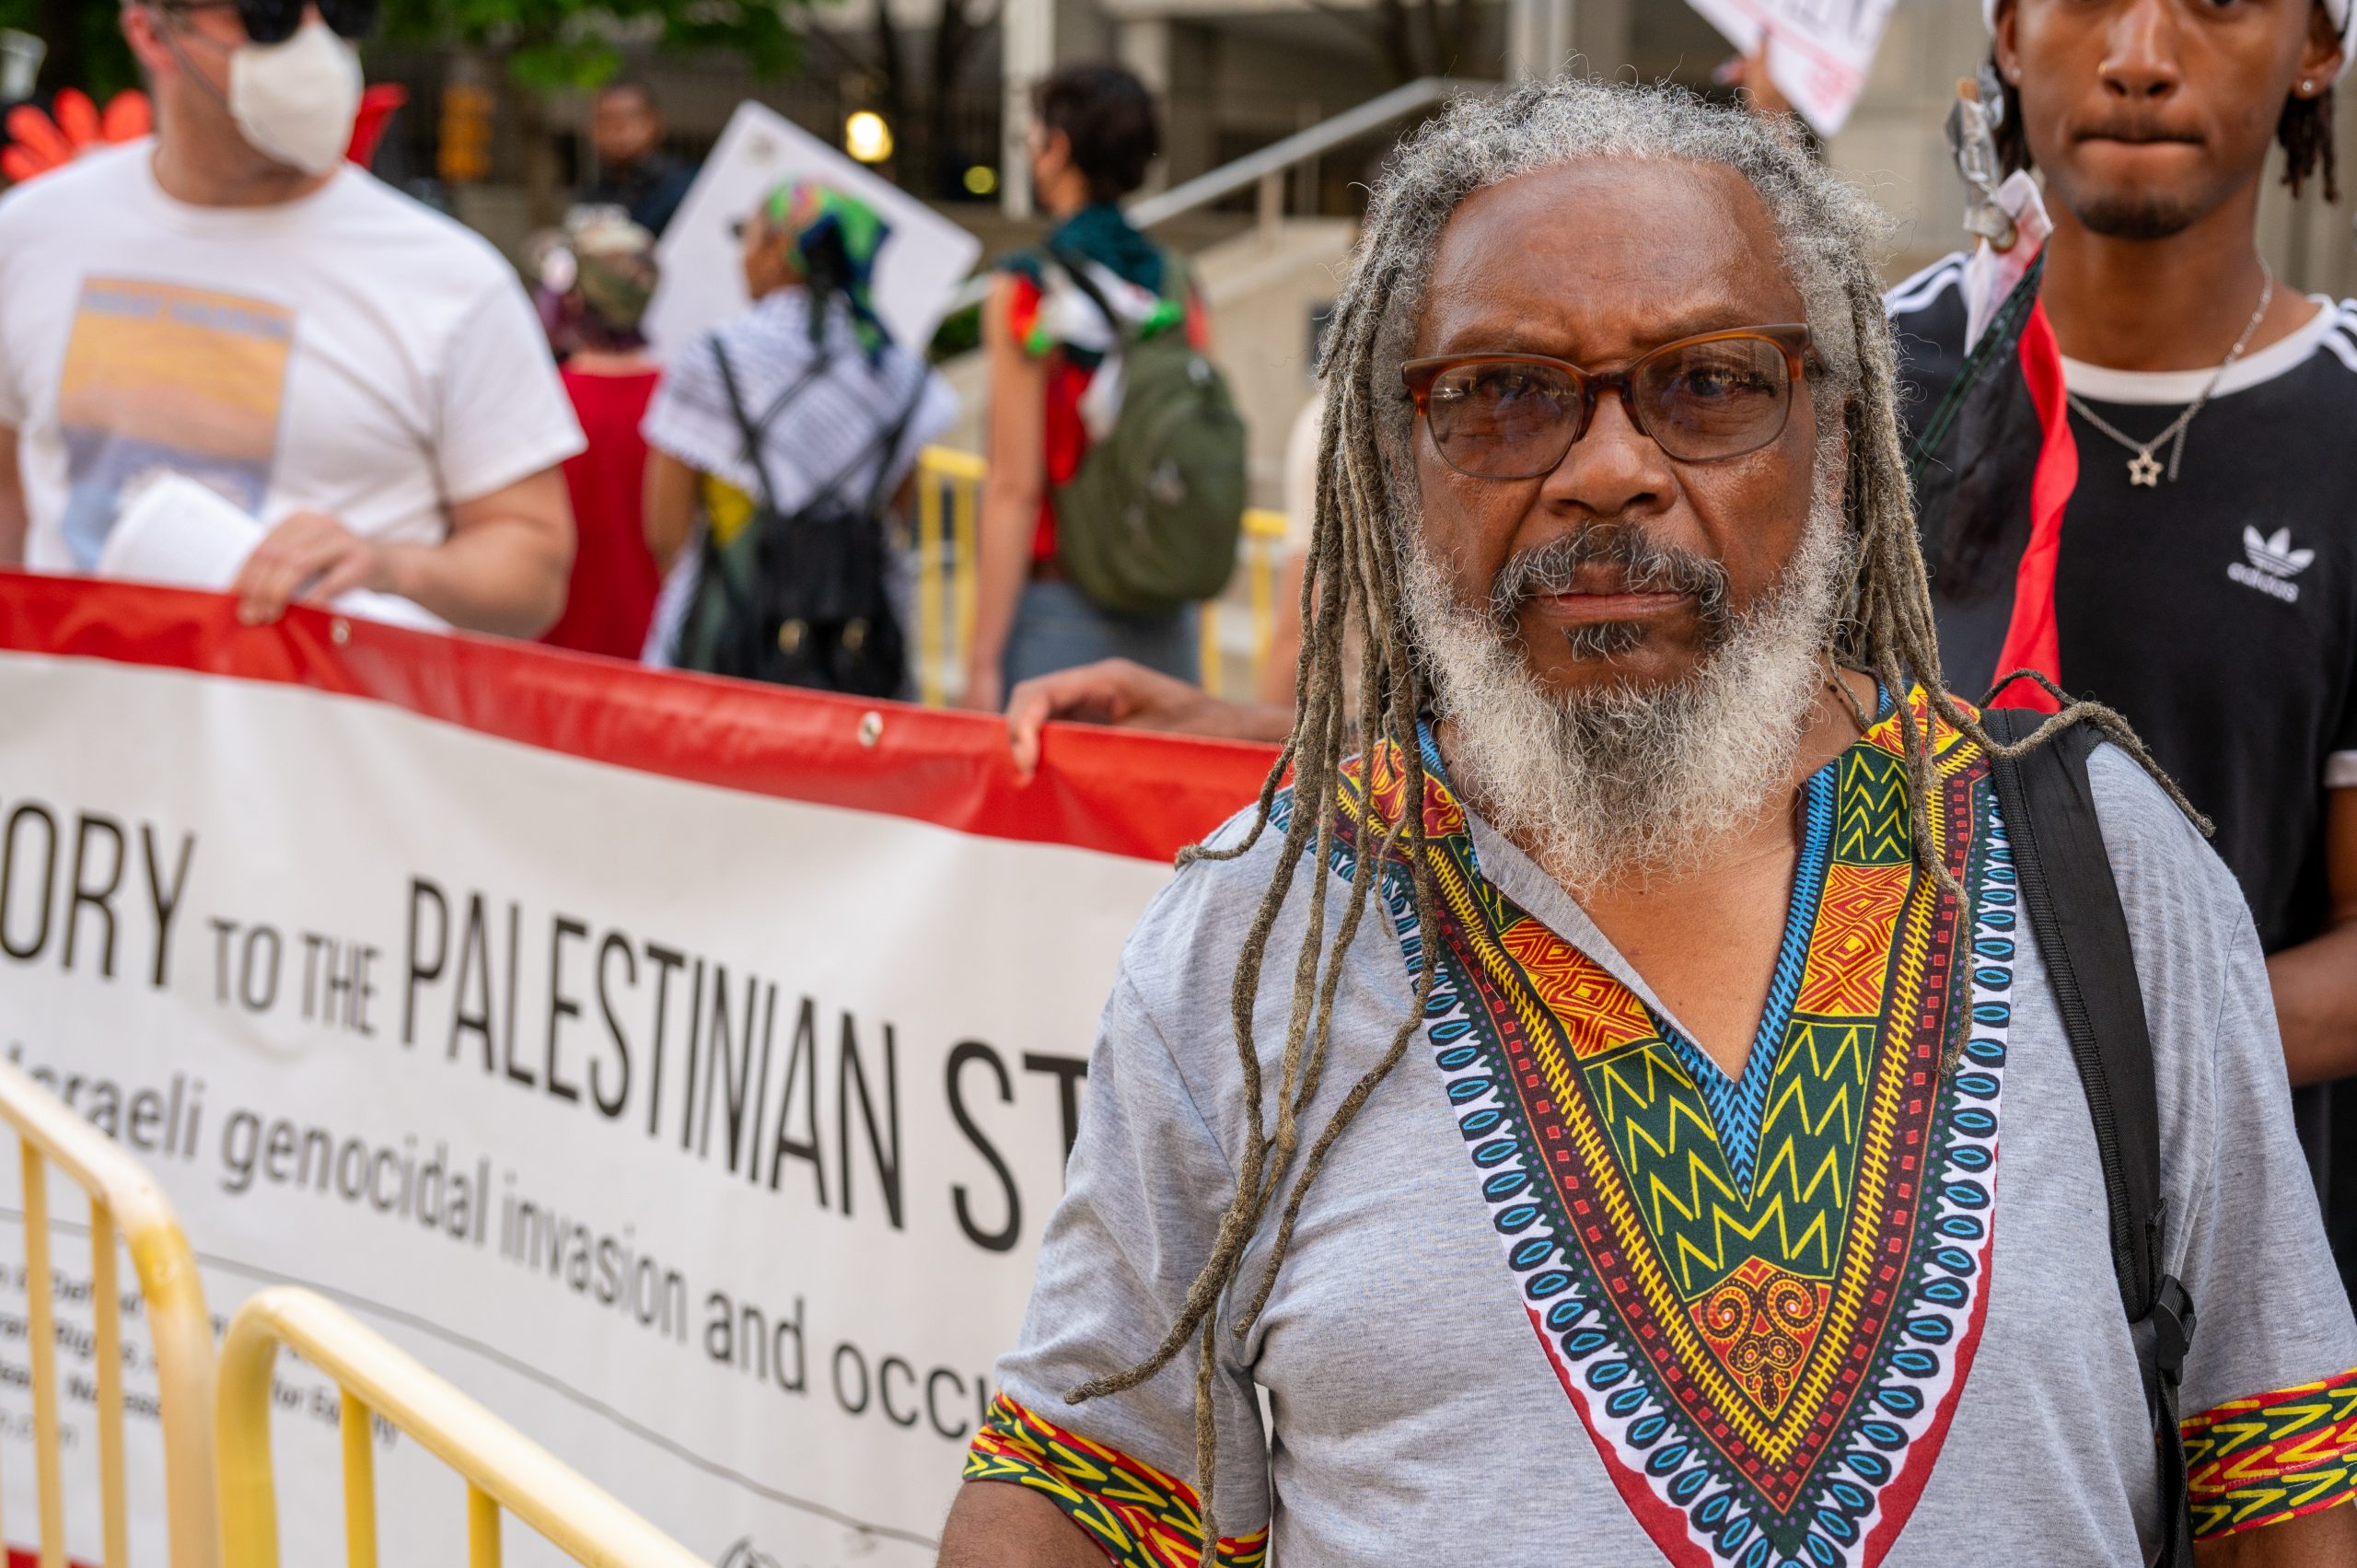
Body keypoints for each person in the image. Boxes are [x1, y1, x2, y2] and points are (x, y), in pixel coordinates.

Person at [940, 82, 2356, 1566]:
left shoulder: (2110, 868)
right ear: (1393, 457)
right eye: (1500, 393)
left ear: (1836, 435)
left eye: (1710, 383)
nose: (1609, 467)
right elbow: (1072, 1497)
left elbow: (2287, 1490)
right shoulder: (1256, 942)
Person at [1870, 0, 2357, 1294]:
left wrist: (2070, 1035)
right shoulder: (1849, 388)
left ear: (2319, 46)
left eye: (2215, 3)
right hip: (1870, 1282)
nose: (2139, 56)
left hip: (2226, 1309)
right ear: (2010, 34)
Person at [0, 0, 583, 636]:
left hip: (326, 727)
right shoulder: (30, 236)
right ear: (151, 30)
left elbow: (533, 565)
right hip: (85, 725)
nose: (317, 47)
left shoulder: (454, 280)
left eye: (342, 14)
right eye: (268, 17)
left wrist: (388, 567)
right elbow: (11, 492)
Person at [963, 62, 1209, 712]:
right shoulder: (1178, 283)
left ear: (1058, 147)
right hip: (1166, 611)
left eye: (1032, 138)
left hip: (1058, 616)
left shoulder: (1025, 288)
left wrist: (983, 661)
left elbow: (1014, 486)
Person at [639, 179, 954, 678]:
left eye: (748, 236)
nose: (741, 256)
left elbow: (665, 531)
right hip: (860, 648)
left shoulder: (715, 358)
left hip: (729, 640)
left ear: (777, 252)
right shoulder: (896, 368)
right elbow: (902, 511)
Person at [534, 208, 664, 659]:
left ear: (572, 300)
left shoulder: (542, 400)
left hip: (556, 652)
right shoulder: (681, 402)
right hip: (659, 651)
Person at [579, 79, 694, 239]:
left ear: (655, 122)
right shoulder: (592, 195)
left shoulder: (687, 188)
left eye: (631, 117)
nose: (618, 129)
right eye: (606, 119)